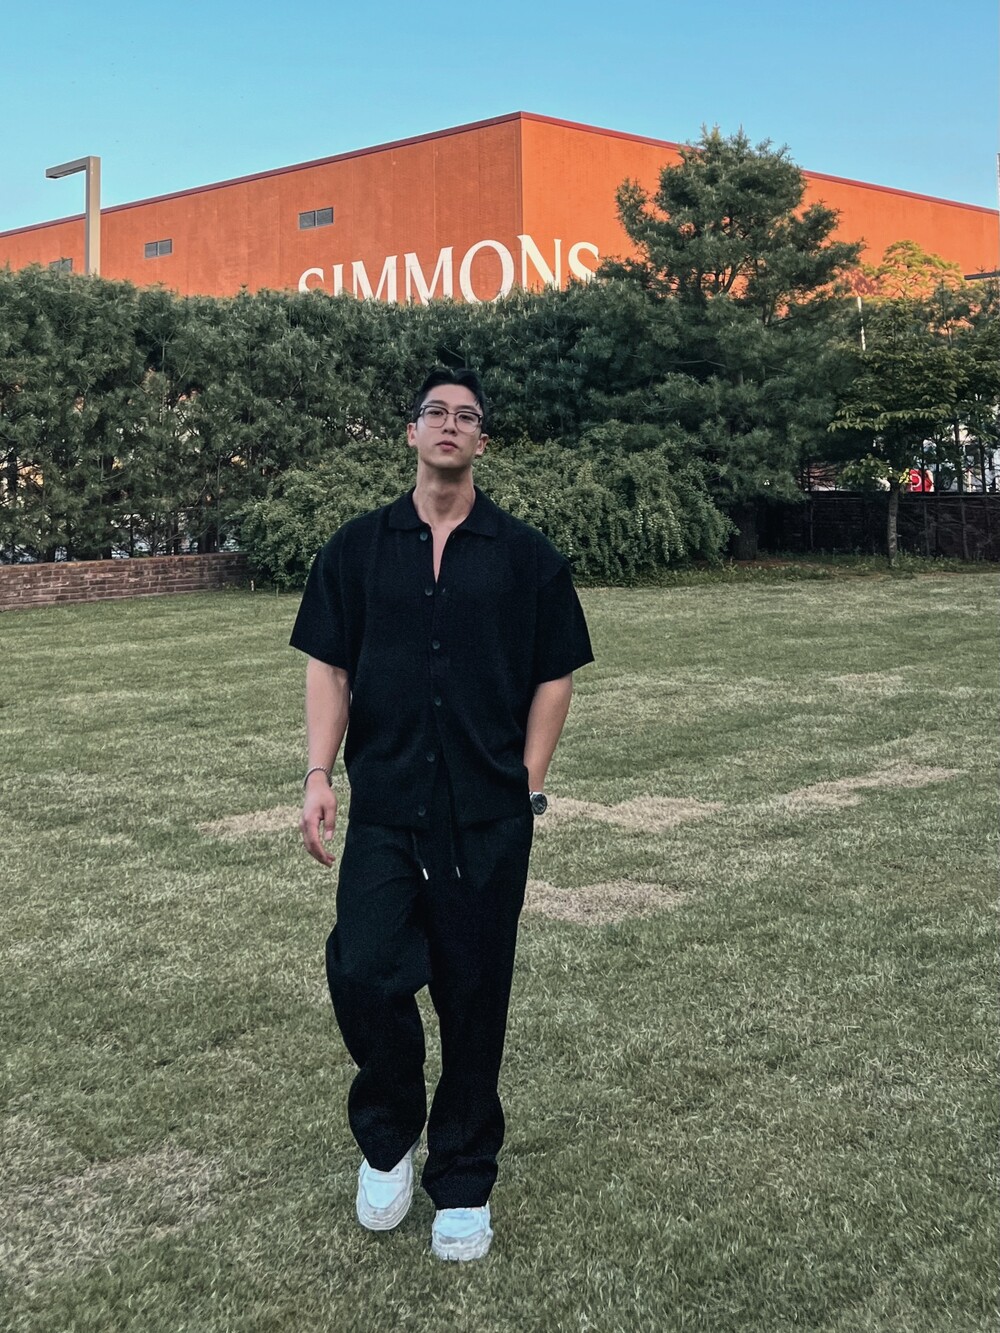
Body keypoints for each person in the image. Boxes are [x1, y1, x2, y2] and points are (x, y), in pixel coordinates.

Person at [290, 367, 593, 1261]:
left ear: (481, 442)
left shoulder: (525, 556)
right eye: (436, 412)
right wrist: (318, 772)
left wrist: (526, 782)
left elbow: (555, 673)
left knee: (473, 995)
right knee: (365, 967)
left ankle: (462, 1178)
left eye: (467, 416)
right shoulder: (356, 549)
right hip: (386, 807)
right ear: (412, 432)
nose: (450, 425)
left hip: (486, 817)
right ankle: (388, 1136)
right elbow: (328, 665)